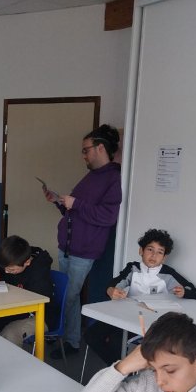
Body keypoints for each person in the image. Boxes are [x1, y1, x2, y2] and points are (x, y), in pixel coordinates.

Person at [44, 124, 122, 359]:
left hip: (84, 251)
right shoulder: (91, 176)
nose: (84, 155)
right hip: (68, 247)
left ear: (100, 148)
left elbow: (108, 216)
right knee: (70, 295)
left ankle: (60, 335)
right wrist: (59, 202)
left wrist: (75, 203)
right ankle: (71, 339)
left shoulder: (113, 177)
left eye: (86, 150)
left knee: (68, 296)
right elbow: (76, 211)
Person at [85, 228, 196, 365]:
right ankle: (121, 369)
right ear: (141, 251)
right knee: (91, 335)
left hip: (150, 323)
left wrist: (185, 292)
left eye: (160, 252)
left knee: (117, 341)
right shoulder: (133, 268)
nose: (154, 255)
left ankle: (121, 370)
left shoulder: (169, 274)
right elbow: (115, 283)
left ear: (164, 257)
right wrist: (111, 290)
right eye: (150, 249)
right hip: (125, 315)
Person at [0, 235, 58, 346]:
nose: (6, 271)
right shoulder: (12, 258)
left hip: (39, 316)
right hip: (11, 310)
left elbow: (35, 304)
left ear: (27, 262)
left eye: (11, 269)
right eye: (4, 268)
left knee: (9, 334)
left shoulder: (39, 273)